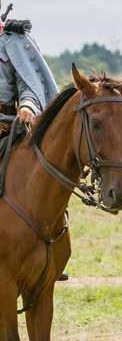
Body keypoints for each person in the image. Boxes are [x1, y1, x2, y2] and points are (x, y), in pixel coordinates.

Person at [0, 14, 69, 281]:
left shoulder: (12, 41)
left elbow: (31, 84)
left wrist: (28, 105)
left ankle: (54, 247)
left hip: (8, 128)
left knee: (45, 175)